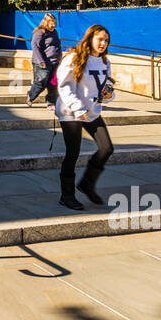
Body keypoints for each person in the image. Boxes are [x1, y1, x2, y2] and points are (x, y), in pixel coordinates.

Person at [53, 24, 115, 211]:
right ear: (90, 39)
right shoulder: (74, 57)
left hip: (92, 110)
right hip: (70, 111)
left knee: (106, 148)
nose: (103, 43)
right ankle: (67, 195)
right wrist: (77, 107)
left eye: (106, 40)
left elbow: (109, 87)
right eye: (99, 39)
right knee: (73, 152)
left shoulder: (105, 62)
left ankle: (87, 184)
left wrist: (108, 95)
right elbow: (64, 85)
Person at [25, 14, 61, 108]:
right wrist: (41, 61)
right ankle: (30, 96)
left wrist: (60, 57)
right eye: (51, 23)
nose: (53, 25)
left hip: (54, 62)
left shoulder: (54, 32)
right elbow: (35, 47)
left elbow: (57, 45)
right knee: (41, 82)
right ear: (46, 22)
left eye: (55, 23)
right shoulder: (40, 32)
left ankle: (51, 103)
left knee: (53, 83)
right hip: (42, 63)